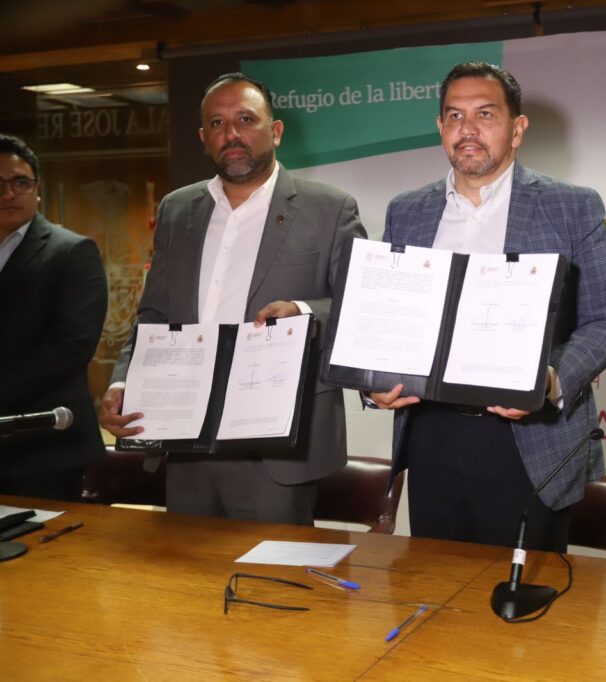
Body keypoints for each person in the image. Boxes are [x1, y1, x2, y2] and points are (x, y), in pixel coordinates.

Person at [369, 62, 606, 551]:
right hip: (431, 436)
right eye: (455, 116)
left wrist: (550, 381)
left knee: (524, 594)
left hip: (530, 440)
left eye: (485, 114)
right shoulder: (407, 210)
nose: (468, 129)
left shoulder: (572, 206)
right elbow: (385, 315)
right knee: (435, 588)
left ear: (517, 128)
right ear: (440, 127)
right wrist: (372, 381)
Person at [99, 73, 366, 524]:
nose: (232, 134)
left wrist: (303, 312)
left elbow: (359, 309)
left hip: (277, 446)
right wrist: (124, 381)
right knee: (188, 568)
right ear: (203, 138)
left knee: (270, 570)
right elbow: (154, 314)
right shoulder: (176, 210)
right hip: (185, 437)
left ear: (275, 131)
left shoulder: (330, 208)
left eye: (245, 119)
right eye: (217, 124)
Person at [0, 134, 108, 501]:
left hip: (45, 451)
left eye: (20, 183)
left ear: (37, 190)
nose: (9, 193)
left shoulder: (72, 251)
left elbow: (70, 348)